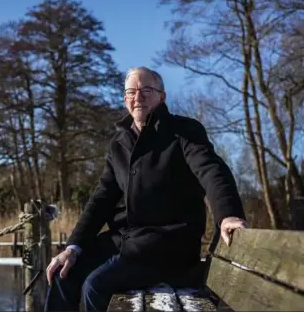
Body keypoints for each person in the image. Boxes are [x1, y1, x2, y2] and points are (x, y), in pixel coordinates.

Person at [44, 66, 247, 312]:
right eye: (131, 92)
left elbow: (211, 170)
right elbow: (101, 199)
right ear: (125, 99)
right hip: (126, 241)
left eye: (146, 90)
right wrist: (73, 248)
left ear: (162, 96)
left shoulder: (183, 131)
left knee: (95, 286)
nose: (137, 97)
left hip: (168, 246)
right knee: (63, 273)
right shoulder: (120, 144)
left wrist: (227, 214)